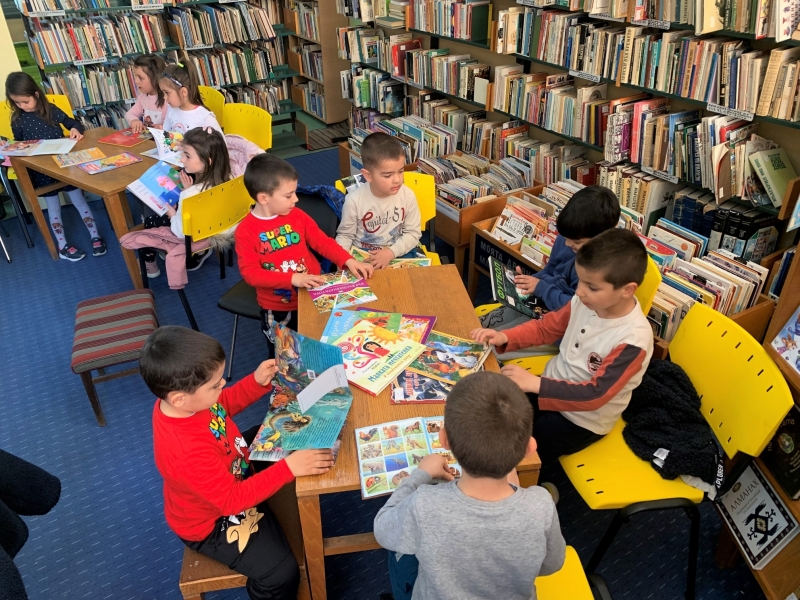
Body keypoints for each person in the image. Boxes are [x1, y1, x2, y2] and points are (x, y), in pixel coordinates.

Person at [142, 325, 334, 600]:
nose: (222, 385)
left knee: (288, 431)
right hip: (213, 522)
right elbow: (231, 501)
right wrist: (289, 468)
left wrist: (255, 381)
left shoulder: (186, 403)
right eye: (215, 385)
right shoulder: (185, 452)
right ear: (179, 398)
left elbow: (223, 405)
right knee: (281, 574)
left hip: (233, 466)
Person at [373, 371, 566, 600]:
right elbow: (552, 564)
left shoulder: (424, 504)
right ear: (529, 448)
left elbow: (383, 529)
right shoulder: (541, 505)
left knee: (400, 548)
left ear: (444, 440)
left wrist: (419, 475)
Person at [472, 228, 654, 465]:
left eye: (592, 287)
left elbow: (595, 395)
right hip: (550, 386)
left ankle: (536, 480)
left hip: (582, 419)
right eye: (581, 281)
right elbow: (546, 328)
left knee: (518, 449)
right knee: (494, 414)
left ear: (627, 290)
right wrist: (505, 336)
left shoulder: (633, 340)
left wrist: (535, 384)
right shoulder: (584, 301)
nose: (579, 291)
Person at [236, 154, 373, 357]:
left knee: (321, 344)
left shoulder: (297, 215)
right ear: (263, 198)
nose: (296, 199)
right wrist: (292, 279)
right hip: (279, 307)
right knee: (286, 356)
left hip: (313, 294)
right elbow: (251, 274)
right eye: (288, 195)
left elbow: (323, 242)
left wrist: (347, 260)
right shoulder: (246, 231)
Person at [479, 185, 621, 361]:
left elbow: (576, 309)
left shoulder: (601, 270)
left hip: (565, 329)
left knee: (490, 348)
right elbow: (550, 270)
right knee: (481, 326)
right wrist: (529, 280)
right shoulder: (569, 236)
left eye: (576, 242)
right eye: (565, 236)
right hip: (541, 305)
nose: (567, 243)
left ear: (602, 238)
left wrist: (541, 287)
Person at [5, 72, 106, 261]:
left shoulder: (50, 110)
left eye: (25, 101)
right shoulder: (17, 119)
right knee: (53, 209)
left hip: (64, 166)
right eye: (17, 103)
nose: (22, 106)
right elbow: (19, 143)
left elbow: (72, 123)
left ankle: (95, 236)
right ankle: (62, 245)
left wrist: (75, 129)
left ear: (36, 94)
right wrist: (13, 147)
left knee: (79, 201)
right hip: (41, 171)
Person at [120, 127, 230, 286]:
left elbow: (179, 231)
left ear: (208, 161)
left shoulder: (190, 194)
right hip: (215, 228)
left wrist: (172, 214)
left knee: (150, 220)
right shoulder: (229, 179)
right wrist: (188, 190)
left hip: (194, 236)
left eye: (187, 156)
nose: (182, 160)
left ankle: (150, 263)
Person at [335, 132, 422, 269]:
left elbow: (413, 234)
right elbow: (345, 236)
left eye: (401, 171)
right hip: (364, 255)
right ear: (368, 175)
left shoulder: (408, 196)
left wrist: (390, 253)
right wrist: (343, 262)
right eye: (388, 175)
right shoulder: (354, 200)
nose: (397, 180)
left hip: (398, 252)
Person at [160, 63, 221, 135]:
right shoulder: (171, 109)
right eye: (163, 93)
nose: (164, 97)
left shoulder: (204, 117)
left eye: (167, 93)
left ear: (183, 92)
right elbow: (165, 133)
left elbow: (221, 141)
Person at [125, 54, 168, 133]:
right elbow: (129, 114)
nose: (136, 81)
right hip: (148, 138)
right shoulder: (143, 97)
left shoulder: (168, 99)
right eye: (135, 76)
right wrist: (134, 120)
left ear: (155, 78)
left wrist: (163, 128)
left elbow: (175, 124)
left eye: (140, 78)